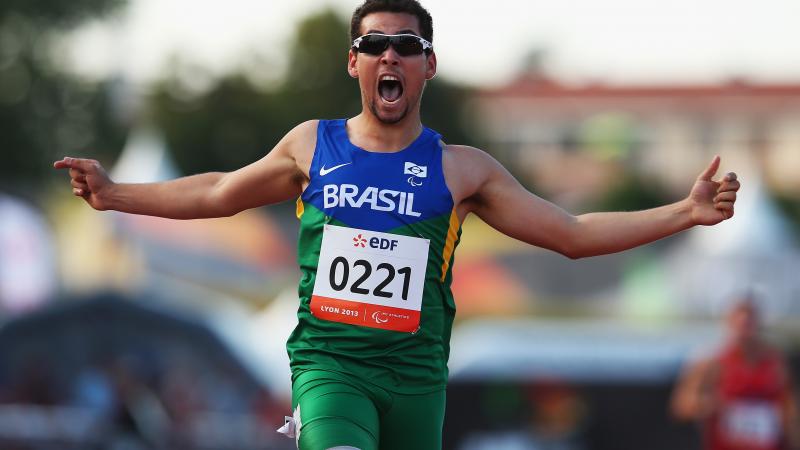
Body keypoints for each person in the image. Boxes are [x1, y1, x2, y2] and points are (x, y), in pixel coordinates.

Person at [55, 1, 741, 448]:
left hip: (418, 379)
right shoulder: (309, 146)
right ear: (353, 61)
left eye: (405, 45)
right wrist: (117, 194)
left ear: (427, 66)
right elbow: (218, 193)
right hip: (331, 367)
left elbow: (572, 234)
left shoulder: (462, 170)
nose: (390, 55)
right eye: (374, 43)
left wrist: (684, 211)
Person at [671, 297, 800, 450]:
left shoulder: (775, 362)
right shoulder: (712, 361)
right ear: (729, 325)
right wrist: (711, 405)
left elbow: (790, 409)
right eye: (740, 326)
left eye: (749, 326)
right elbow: (681, 406)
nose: (744, 333)